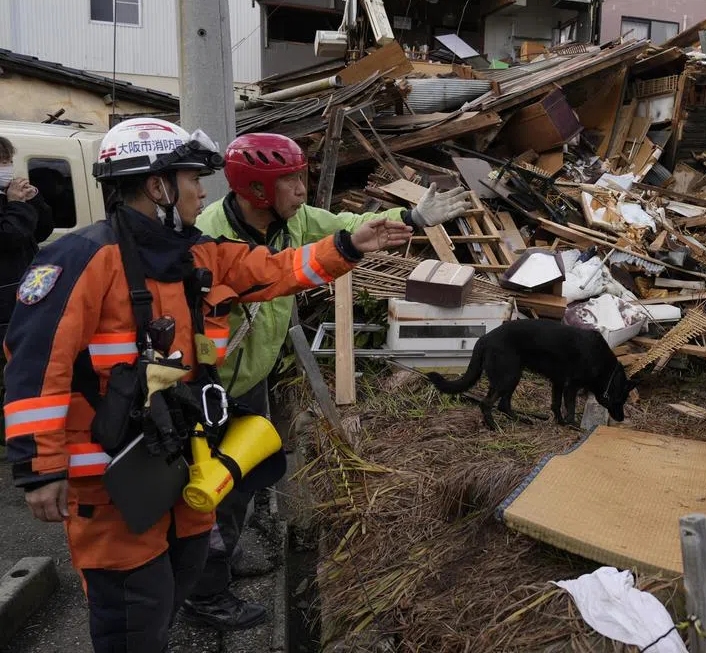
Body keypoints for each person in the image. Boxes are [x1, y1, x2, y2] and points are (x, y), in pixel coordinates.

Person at [2, 118, 412, 653]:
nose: (202, 191)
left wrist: (351, 245)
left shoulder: (193, 256)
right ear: (158, 186)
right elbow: (34, 367)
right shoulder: (82, 260)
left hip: (183, 465)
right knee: (133, 615)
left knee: (178, 582)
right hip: (112, 486)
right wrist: (40, 468)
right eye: (193, 179)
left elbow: (278, 269)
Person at [188, 132, 471, 629]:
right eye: (290, 181)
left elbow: (346, 226)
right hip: (211, 389)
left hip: (254, 375)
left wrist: (410, 218)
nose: (302, 190)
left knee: (243, 481)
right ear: (256, 191)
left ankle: (219, 562)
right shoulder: (212, 238)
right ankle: (205, 593)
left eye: (302, 176)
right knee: (213, 491)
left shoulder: (292, 221)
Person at [0, 136, 53, 445]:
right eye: (2, 162)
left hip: (23, 297)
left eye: (8, 161)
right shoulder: (9, 202)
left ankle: (24, 429)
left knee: (24, 367)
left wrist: (34, 201)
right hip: (4, 304)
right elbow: (9, 236)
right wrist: (17, 206)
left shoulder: (9, 196)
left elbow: (40, 229)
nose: (7, 168)